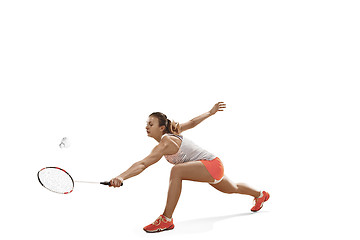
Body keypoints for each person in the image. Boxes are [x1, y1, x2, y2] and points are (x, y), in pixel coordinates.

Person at [109, 102, 270, 233]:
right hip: (212, 165)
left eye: (151, 124)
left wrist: (121, 177)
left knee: (176, 170)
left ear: (162, 128)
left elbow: (143, 163)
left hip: (211, 165)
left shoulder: (166, 142)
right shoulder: (172, 133)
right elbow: (192, 123)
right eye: (147, 124)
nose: (147, 127)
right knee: (231, 188)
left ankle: (166, 219)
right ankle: (260, 194)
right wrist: (209, 112)